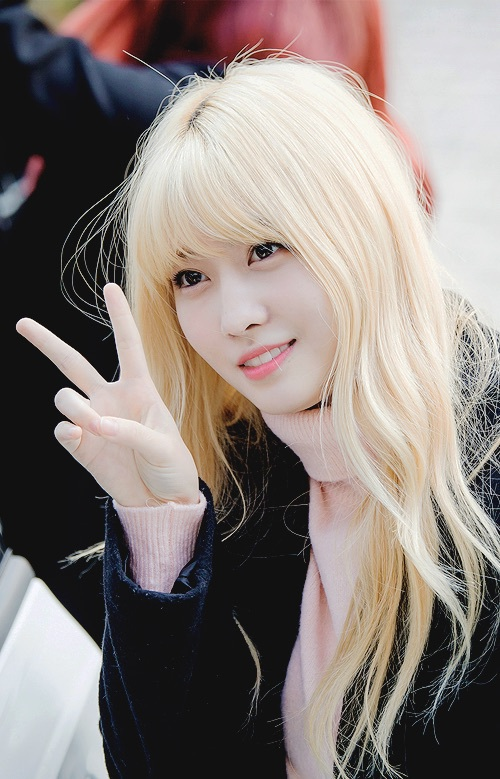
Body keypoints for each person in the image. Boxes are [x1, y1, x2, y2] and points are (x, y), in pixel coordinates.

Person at [16, 54, 500, 778]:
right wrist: (160, 522)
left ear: (359, 222)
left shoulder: (480, 466)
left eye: (265, 249)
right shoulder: (246, 471)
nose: (234, 315)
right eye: (190, 276)